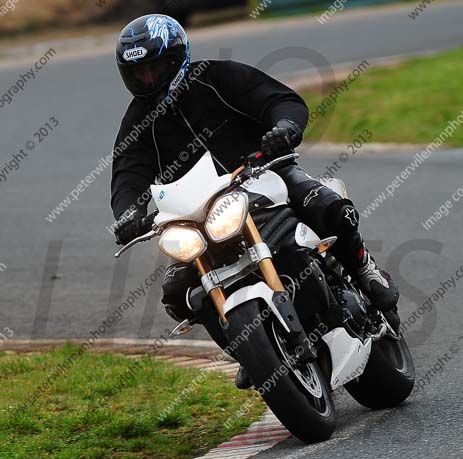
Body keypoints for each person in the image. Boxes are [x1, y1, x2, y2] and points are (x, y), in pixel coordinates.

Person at [111, 14, 398, 387]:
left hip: (264, 174)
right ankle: (249, 349)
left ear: (176, 57)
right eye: (138, 74)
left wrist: (284, 127)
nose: (147, 80)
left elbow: (279, 99)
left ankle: (362, 268)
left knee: (327, 206)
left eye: (154, 68)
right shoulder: (137, 121)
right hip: (201, 214)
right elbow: (128, 174)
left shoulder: (218, 77)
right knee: (178, 292)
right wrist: (128, 212)